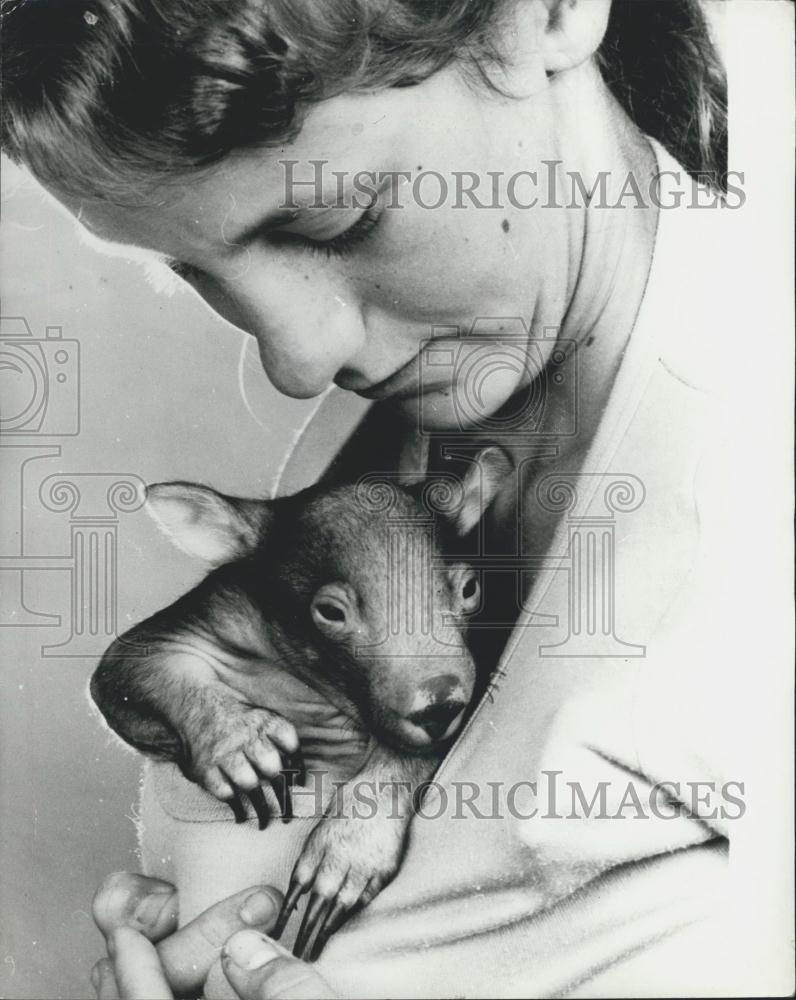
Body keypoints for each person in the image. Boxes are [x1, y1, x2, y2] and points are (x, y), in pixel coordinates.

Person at [2, 0, 790, 996]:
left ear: (546, 13)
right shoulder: (427, 402)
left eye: (339, 217)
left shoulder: (753, 508)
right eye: (192, 270)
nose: (297, 360)